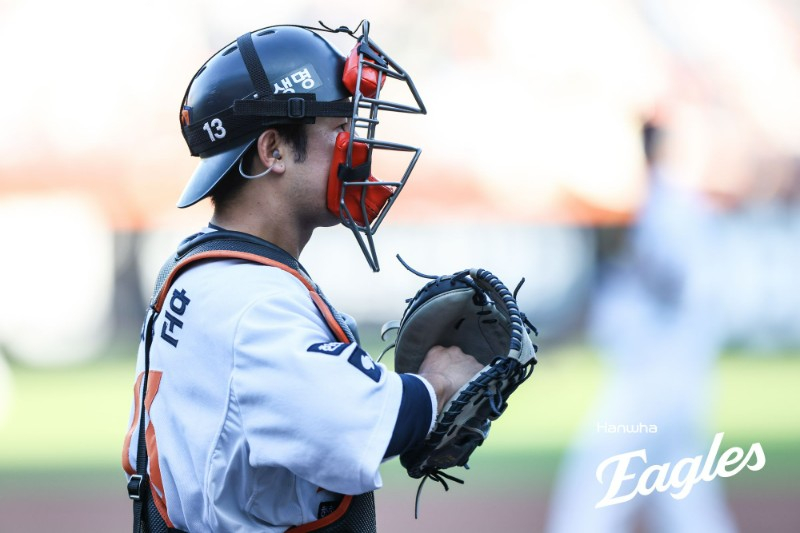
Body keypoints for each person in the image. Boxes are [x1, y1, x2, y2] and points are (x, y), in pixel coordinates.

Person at [121, 21, 483, 532]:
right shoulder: (251, 301)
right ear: (273, 151)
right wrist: (439, 382)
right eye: (339, 129)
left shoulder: (206, 270)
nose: (356, 148)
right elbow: (362, 428)